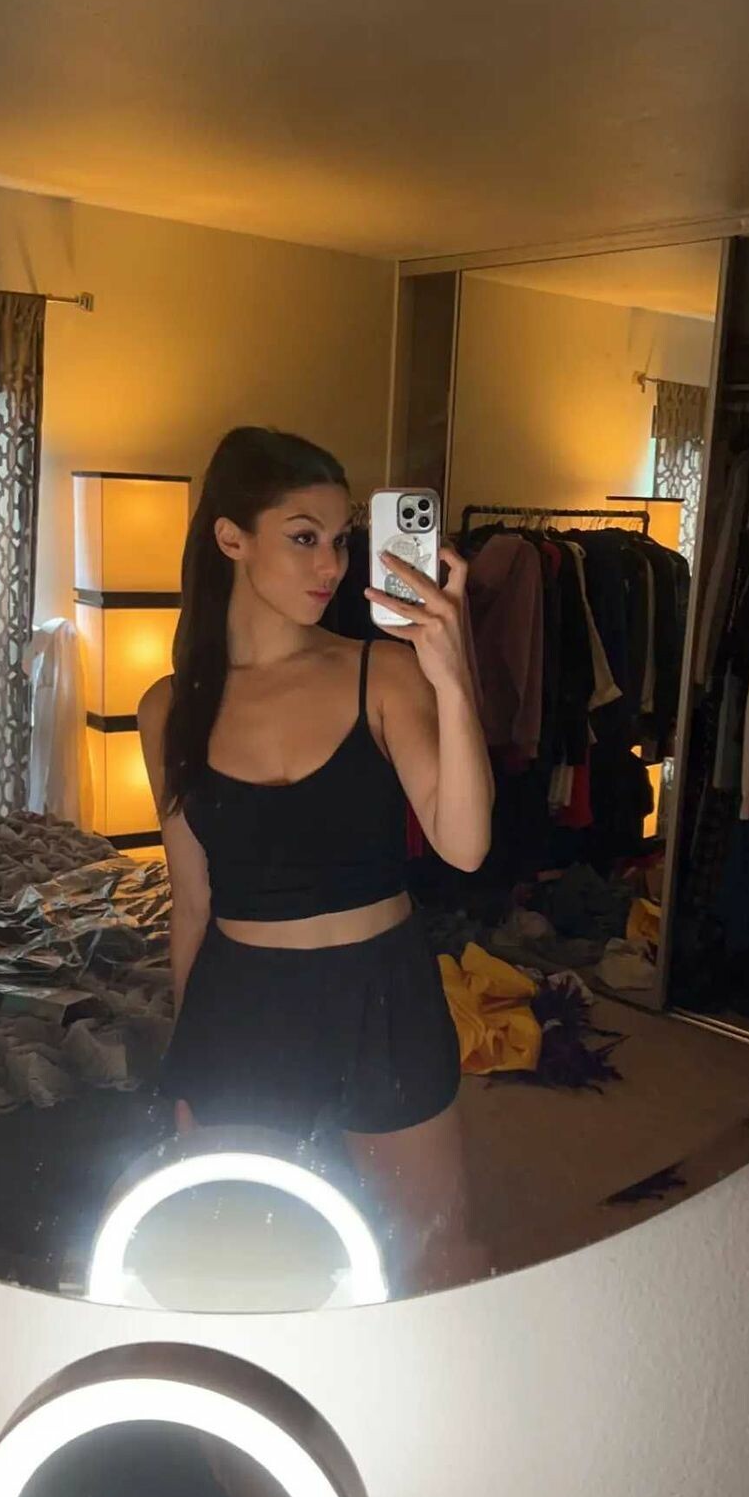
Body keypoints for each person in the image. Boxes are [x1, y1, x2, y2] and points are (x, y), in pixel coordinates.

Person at [137, 426, 493, 1284]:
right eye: (304, 537)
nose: (330, 565)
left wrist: (452, 676)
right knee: (251, 1265)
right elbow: (192, 900)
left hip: (383, 995)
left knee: (435, 1256)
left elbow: (466, 846)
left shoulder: (383, 672)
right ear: (232, 538)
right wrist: (188, 1054)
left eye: (340, 540)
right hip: (243, 1006)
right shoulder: (169, 710)